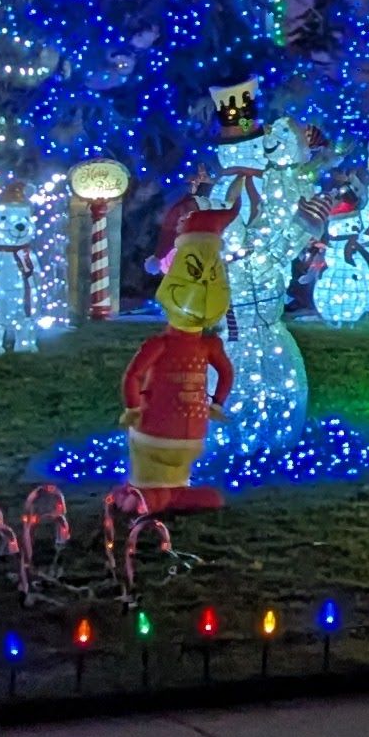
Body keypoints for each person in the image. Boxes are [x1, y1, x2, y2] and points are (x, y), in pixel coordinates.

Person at [121, 208, 239, 514]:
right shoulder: (187, 345)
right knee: (164, 474)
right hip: (175, 430)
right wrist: (215, 404)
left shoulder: (184, 345)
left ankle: (160, 495)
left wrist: (133, 409)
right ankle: (160, 493)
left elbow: (133, 376)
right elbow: (226, 374)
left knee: (162, 474)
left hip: (170, 431)